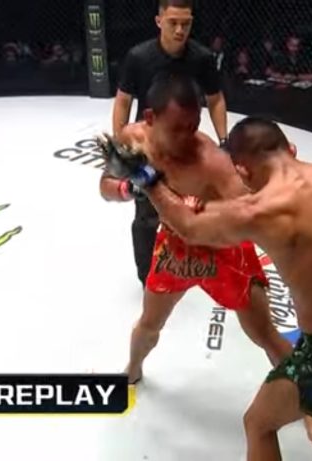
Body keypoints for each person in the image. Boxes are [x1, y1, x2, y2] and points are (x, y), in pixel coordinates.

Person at [110, 117, 312, 461]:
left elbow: (190, 227)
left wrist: (148, 180)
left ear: (243, 171)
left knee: (258, 424)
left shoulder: (260, 212)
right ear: (290, 149)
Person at [98, 75, 312, 447]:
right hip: (175, 247)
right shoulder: (132, 139)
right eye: (177, 128)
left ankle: (310, 402)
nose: (187, 137)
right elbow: (105, 187)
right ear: (151, 118)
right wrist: (127, 187)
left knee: (265, 334)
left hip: (223, 249)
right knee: (150, 323)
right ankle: (133, 368)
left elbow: (250, 211)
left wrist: (209, 209)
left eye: (193, 127)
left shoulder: (211, 161)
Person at [109, 0, 229, 287]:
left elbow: (215, 99)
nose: (179, 30)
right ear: (159, 21)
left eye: (186, 24)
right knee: (147, 211)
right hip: (149, 145)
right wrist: (120, 142)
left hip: (187, 142)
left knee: (195, 204)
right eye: (173, 22)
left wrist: (224, 140)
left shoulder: (201, 57)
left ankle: (192, 263)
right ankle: (147, 276)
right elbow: (123, 100)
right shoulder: (139, 57)